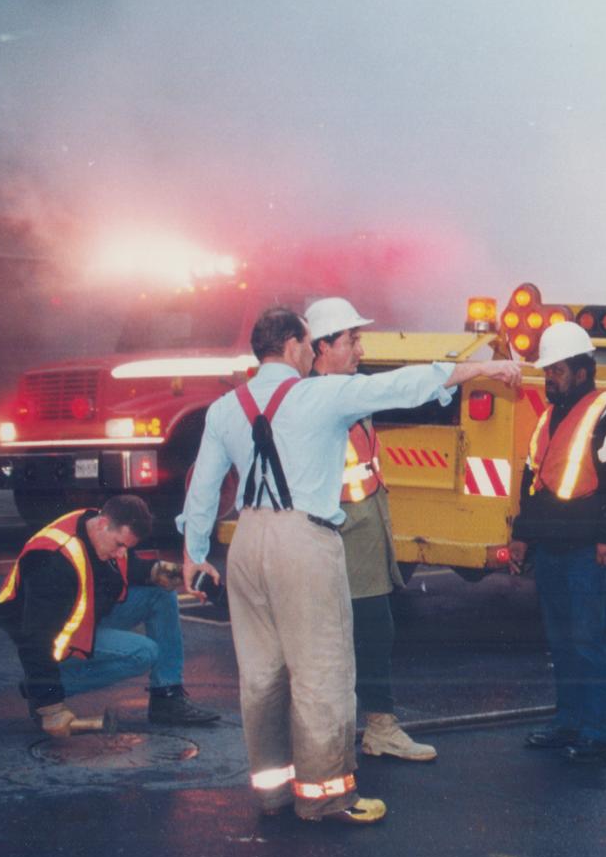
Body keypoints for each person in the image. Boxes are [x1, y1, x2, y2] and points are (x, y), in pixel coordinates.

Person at [180, 307, 521, 824]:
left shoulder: (226, 407)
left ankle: (273, 790)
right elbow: (402, 388)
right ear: (296, 346)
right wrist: (480, 369)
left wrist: (194, 552)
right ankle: (326, 796)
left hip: (248, 541)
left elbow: (203, 487)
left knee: (262, 676)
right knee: (323, 673)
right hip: (304, 540)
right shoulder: (320, 395)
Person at [508, 321, 606, 763]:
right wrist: (522, 537)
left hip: (590, 552)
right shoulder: (549, 418)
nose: (549, 378)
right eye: (548, 370)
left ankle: (599, 730)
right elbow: (533, 482)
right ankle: (568, 721)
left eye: (558, 370)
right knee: (562, 640)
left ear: (582, 371)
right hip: (552, 548)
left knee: (589, 639)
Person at [304, 296, 434, 762]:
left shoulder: (345, 389)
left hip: (362, 524)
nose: (360, 349)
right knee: (369, 631)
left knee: (370, 631)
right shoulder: (324, 396)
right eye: (351, 340)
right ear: (322, 346)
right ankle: (373, 728)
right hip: (343, 531)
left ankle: (366, 727)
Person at [0, 494, 221, 736]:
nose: (121, 554)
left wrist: (183, 575)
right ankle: (43, 685)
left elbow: (131, 568)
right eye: (119, 545)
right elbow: (35, 638)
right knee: (144, 652)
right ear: (104, 524)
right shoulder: (53, 561)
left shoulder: (99, 526)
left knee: (161, 595)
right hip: (53, 631)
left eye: (127, 547)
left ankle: (167, 698)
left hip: (84, 612)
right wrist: (48, 706)